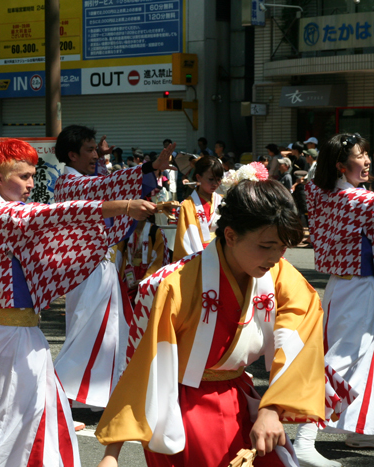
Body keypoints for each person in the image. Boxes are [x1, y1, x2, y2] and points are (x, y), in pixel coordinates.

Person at [96, 178, 333, 467]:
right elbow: (140, 365)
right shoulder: (171, 284)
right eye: (266, 246)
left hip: (243, 401)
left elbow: (302, 340)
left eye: (282, 247)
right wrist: (112, 452)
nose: (275, 257)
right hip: (182, 410)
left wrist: (272, 408)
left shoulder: (282, 275)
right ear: (231, 235)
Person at [0, 138, 159, 467]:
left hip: (19, 333)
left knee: (37, 420)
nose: (31, 184)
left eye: (32, 176)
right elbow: (55, 215)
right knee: (7, 429)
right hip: (11, 338)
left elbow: (51, 218)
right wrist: (122, 206)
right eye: (23, 176)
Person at [52, 125, 172, 410]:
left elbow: (105, 181)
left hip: (100, 265)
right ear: (72, 154)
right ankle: (55, 392)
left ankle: (93, 393)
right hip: (85, 267)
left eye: (96, 149)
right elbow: (104, 185)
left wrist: (106, 160)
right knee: (90, 330)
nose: (96, 155)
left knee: (109, 330)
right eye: (90, 150)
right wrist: (150, 167)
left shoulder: (85, 179)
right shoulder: (68, 183)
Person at [299, 133, 374, 466]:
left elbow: (313, 180)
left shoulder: (319, 193)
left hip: (339, 287)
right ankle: (304, 435)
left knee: (359, 358)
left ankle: (358, 429)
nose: (368, 160)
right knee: (341, 360)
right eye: (360, 156)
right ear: (342, 166)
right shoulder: (362, 201)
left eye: (367, 154)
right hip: (360, 286)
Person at [174, 156, 224, 260]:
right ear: (198, 177)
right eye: (211, 179)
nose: (215, 184)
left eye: (218, 179)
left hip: (222, 254)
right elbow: (185, 240)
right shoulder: (187, 205)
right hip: (197, 256)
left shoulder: (222, 201)